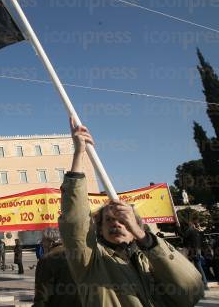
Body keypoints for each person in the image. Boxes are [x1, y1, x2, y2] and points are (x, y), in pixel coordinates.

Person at [59, 118, 205, 306]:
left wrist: (144, 238)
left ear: (137, 225)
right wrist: (79, 154)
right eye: (109, 220)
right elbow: (76, 223)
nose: (116, 223)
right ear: (99, 228)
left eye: (123, 220)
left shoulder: (153, 259)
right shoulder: (91, 261)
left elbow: (191, 291)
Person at [33, 228, 81, 307]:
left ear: (50, 242)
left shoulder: (46, 260)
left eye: (43, 241)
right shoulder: (76, 255)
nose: (41, 244)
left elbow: (42, 296)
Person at [184, 221, 209, 289]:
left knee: (198, 266)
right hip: (197, 250)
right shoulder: (197, 232)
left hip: (194, 251)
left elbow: (184, 236)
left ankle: (204, 283)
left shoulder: (191, 231)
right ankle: (203, 283)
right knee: (198, 265)